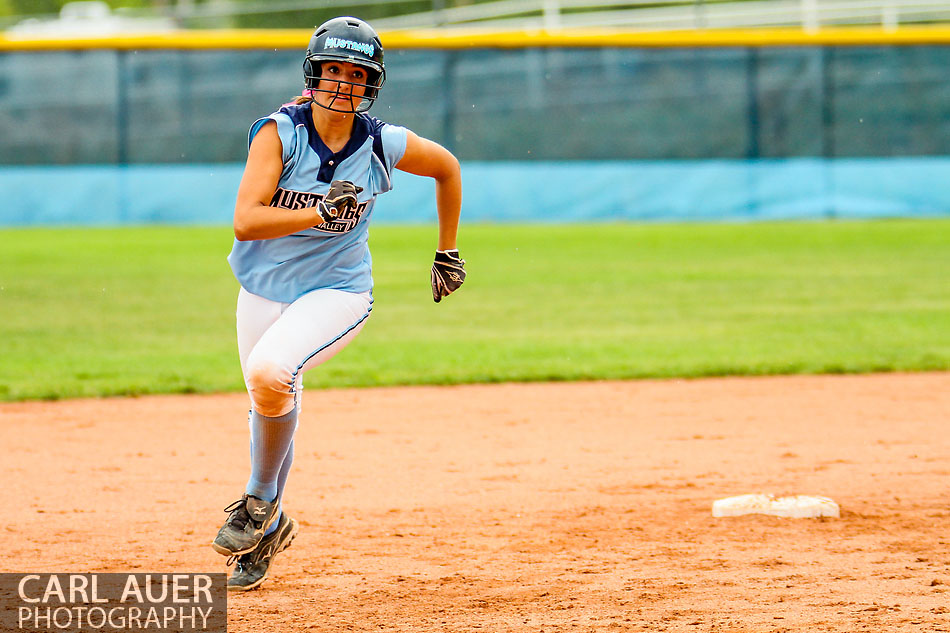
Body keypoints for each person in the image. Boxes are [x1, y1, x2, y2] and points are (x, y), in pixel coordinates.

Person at [210, 16, 466, 592]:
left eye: (358, 74)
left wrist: (446, 249)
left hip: (338, 292)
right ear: (313, 73)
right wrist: (320, 212)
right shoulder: (280, 134)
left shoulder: (380, 142)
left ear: (372, 82)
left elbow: (448, 168)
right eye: (333, 70)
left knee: (273, 370)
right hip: (261, 289)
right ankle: (269, 526)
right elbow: (246, 220)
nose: (343, 83)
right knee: (269, 394)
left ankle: (256, 502)